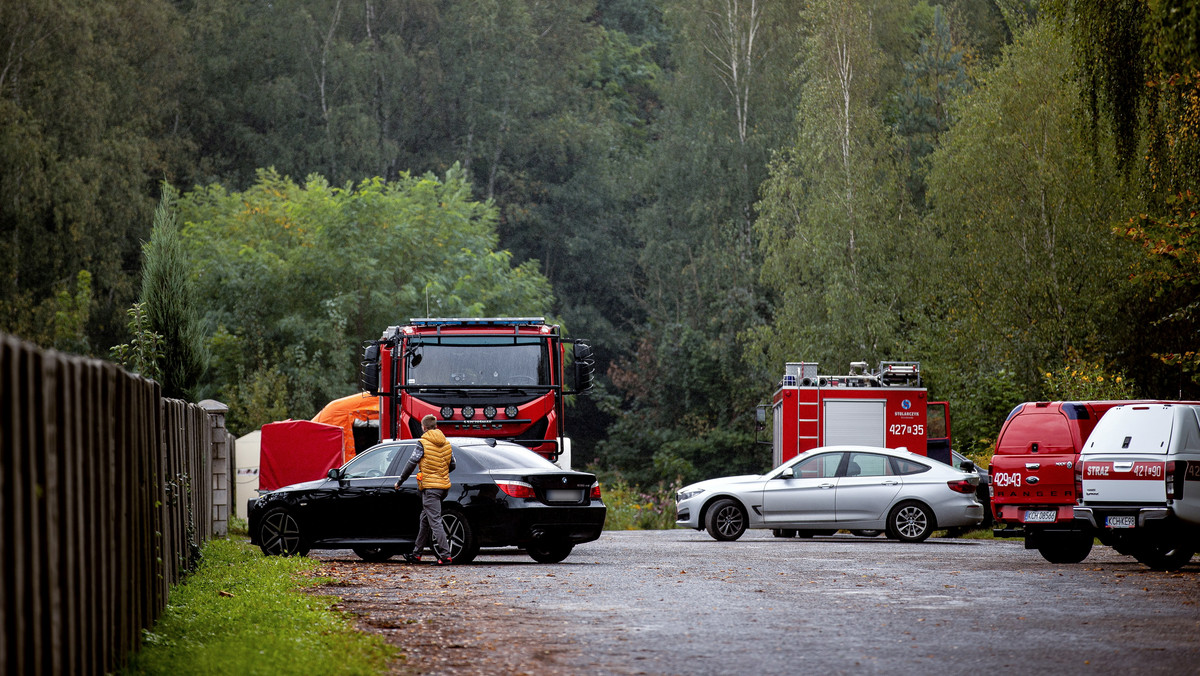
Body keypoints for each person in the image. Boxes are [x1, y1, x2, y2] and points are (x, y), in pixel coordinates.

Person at [395, 414, 455, 564]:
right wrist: (440, 474)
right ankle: (416, 554)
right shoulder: (446, 443)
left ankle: (445, 555)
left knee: (435, 521)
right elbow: (452, 464)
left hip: (430, 488)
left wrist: (400, 480)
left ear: (424, 427)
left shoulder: (422, 443)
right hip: (443, 487)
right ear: (436, 426)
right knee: (425, 519)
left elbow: (412, 462)